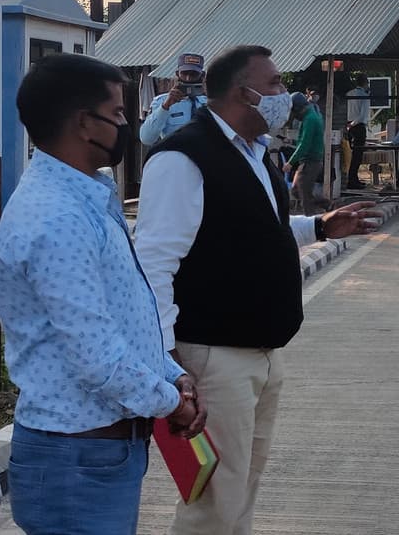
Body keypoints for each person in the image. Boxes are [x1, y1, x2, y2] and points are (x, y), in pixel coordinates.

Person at [133, 45, 381, 535]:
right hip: (211, 356)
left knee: (241, 488)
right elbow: (154, 265)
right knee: (213, 502)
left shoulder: (255, 154)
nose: (283, 96)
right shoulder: (184, 158)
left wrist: (320, 228)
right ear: (240, 94)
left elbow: (256, 228)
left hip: (262, 354)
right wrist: (167, 358)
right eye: (272, 85)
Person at [0, 54, 205, 535]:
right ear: (84, 123)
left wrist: (173, 375)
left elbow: (122, 315)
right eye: (118, 113)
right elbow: (97, 357)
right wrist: (172, 402)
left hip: (98, 453)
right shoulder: (58, 218)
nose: (127, 125)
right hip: (77, 459)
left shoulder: (85, 198)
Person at [139, 53, 206, 146]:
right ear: (177, 74)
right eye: (184, 73)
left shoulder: (211, 103)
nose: (188, 78)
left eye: (193, 74)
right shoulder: (161, 101)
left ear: (202, 75)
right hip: (175, 156)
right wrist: (165, 106)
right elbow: (146, 139)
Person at [284, 91, 325, 215]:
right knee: (297, 190)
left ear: (298, 109)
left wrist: (290, 162)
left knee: (304, 195)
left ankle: (310, 222)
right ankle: (327, 204)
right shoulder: (311, 115)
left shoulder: (310, 119)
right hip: (309, 160)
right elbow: (304, 140)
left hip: (310, 161)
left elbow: (305, 144)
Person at [344, 74, 371, 189]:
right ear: (365, 83)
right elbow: (362, 115)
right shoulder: (364, 96)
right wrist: (353, 123)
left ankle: (351, 179)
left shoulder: (348, 94)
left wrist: (348, 125)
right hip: (358, 126)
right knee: (357, 155)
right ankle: (353, 180)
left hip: (348, 125)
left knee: (349, 154)